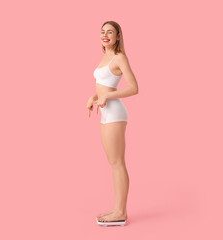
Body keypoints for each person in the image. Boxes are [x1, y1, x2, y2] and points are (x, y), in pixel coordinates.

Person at [86, 21, 139, 226]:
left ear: (118, 36)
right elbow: (103, 88)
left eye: (110, 32)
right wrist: (93, 97)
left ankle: (121, 212)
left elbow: (134, 88)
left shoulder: (119, 57)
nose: (105, 35)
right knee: (113, 163)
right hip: (106, 113)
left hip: (115, 113)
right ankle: (118, 208)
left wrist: (108, 97)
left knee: (118, 163)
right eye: (102, 32)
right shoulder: (105, 57)